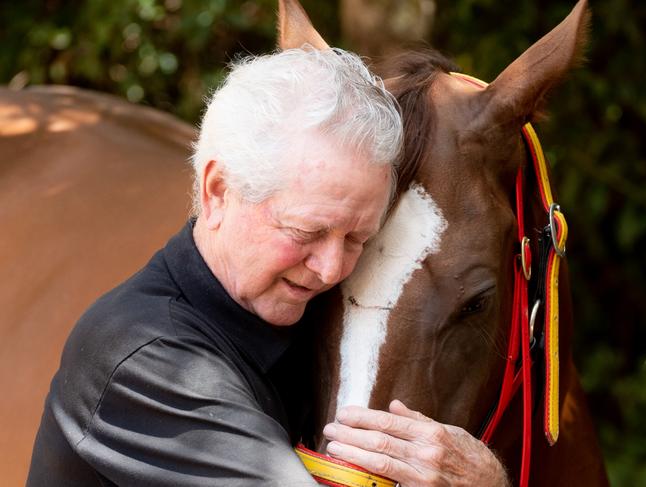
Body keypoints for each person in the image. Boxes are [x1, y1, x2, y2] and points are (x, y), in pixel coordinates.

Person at [27, 47, 508, 486]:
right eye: (306, 233)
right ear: (218, 192)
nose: (331, 268)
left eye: (358, 238)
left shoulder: (290, 316)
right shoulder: (144, 359)